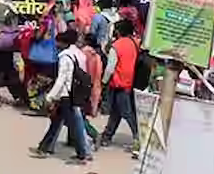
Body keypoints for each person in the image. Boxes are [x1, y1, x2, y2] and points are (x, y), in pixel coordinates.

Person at [32, 29, 94, 164]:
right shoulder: (78, 54)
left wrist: (50, 96)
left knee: (74, 125)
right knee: (57, 122)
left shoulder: (65, 57)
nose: (55, 44)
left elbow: (62, 79)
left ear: (62, 43)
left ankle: (83, 154)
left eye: (57, 41)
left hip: (66, 95)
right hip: (73, 94)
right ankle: (44, 148)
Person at [98, 17, 140, 149]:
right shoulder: (134, 44)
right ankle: (107, 136)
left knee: (127, 114)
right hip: (128, 83)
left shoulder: (116, 46)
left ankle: (138, 137)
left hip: (118, 83)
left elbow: (110, 68)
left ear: (118, 31)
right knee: (116, 112)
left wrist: (103, 82)